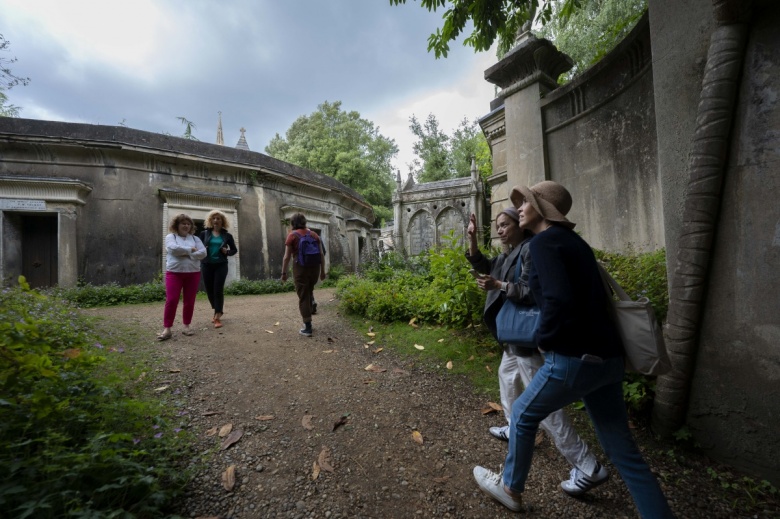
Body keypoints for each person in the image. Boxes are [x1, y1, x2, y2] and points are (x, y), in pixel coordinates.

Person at [473, 181, 674, 518]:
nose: (520, 208)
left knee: (522, 413)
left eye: (526, 203)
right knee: (622, 449)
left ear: (542, 209)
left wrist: (546, 341)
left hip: (575, 358)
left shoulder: (544, 243)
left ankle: (510, 488)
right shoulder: (575, 243)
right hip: (608, 359)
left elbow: (557, 300)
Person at [466, 207, 607, 498]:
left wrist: (499, 286)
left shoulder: (531, 249)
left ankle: (586, 465)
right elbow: (485, 265)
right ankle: (512, 426)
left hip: (527, 337)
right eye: (498, 226)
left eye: (505, 224)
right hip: (512, 338)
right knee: (506, 378)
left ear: (520, 225)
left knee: (546, 410)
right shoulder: (510, 253)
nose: (501, 230)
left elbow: (532, 292)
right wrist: (471, 242)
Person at [157, 213, 206, 341]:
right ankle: (167, 328)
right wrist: (192, 251)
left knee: (189, 301)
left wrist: (185, 253)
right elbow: (173, 249)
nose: (186, 226)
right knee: (172, 300)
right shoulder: (170, 237)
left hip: (193, 273)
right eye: (183, 223)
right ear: (177, 225)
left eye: (188, 224)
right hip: (174, 273)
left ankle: (186, 326)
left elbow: (203, 253)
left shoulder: (195, 239)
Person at [281, 213, 326, 336]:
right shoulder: (314, 235)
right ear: (305, 222)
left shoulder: (292, 236)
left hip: (300, 268)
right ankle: (311, 305)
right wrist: (323, 271)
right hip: (315, 268)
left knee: (303, 296)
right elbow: (321, 254)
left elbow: (286, 257)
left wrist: (283, 273)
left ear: (293, 223)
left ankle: (307, 327)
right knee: (309, 291)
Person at [199, 210, 238, 329]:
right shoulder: (204, 234)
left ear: (222, 221)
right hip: (206, 264)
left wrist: (227, 251)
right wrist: (202, 249)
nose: (216, 220)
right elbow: (198, 248)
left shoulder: (227, 236)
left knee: (218, 289)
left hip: (221, 265)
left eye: (218, 218)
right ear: (211, 220)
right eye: (214, 218)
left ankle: (217, 316)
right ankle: (217, 310)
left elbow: (234, 250)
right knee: (209, 290)